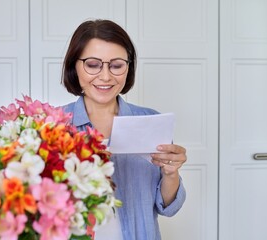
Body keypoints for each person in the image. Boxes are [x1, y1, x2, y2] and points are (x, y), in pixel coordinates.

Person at [61, 19, 186, 240]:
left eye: (116, 65)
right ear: (74, 66)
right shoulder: (54, 125)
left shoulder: (150, 120)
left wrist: (171, 172)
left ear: (128, 68)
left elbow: (167, 207)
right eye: (92, 64)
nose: (106, 76)